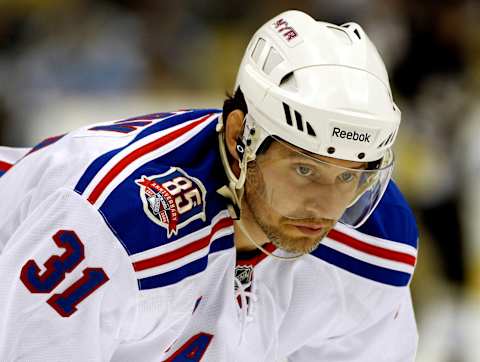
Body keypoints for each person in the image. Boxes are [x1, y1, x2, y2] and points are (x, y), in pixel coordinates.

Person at [0, 10, 418, 361]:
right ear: (241, 137)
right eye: (304, 170)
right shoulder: (117, 223)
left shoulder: (378, 242)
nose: (326, 206)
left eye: (349, 175)